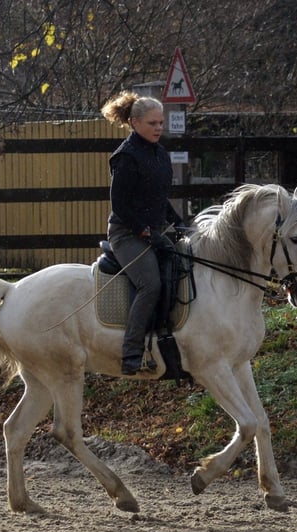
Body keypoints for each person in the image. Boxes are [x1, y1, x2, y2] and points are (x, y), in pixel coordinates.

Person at [100, 91, 184, 376]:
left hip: (153, 232)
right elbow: (120, 205)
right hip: (126, 234)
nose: (159, 128)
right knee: (151, 284)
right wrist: (146, 232)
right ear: (135, 122)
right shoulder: (125, 156)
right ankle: (131, 351)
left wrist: (181, 223)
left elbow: (159, 198)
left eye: (161, 122)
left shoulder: (160, 154)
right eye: (152, 123)